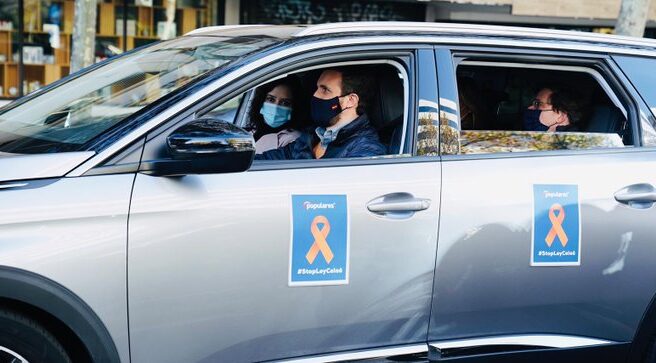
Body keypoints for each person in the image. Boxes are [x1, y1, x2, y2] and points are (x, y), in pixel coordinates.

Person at [256, 67, 386, 160]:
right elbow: (270, 159)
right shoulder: (311, 136)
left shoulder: (367, 149)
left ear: (350, 101)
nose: (315, 95)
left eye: (325, 90)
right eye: (317, 88)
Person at [248, 77, 304, 153]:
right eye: (271, 99)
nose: (276, 107)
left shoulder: (293, 140)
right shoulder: (251, 131)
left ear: (294, 108)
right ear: (261, 101)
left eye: (285, 103)